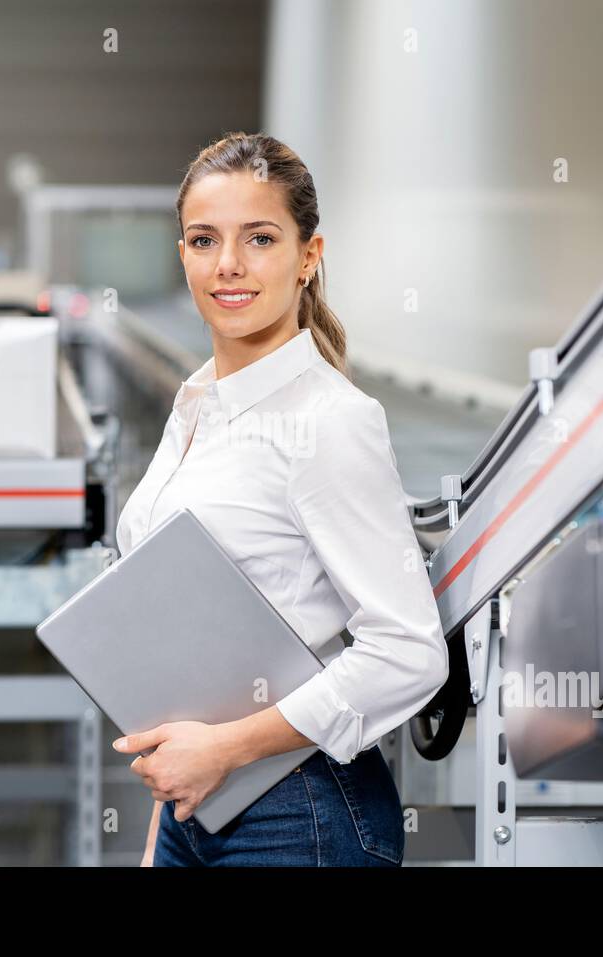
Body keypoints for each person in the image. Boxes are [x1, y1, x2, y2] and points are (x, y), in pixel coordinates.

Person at [112, 132, 448, 867]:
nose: (228, 263)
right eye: (205, 239)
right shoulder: (197, 399)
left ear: (308, 256)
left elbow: (410, 654)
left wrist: (224, 748)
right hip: (196, 802)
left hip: (301, 814)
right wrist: (163, 822)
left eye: (259, 238)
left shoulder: (329, 423)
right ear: (183, 258)